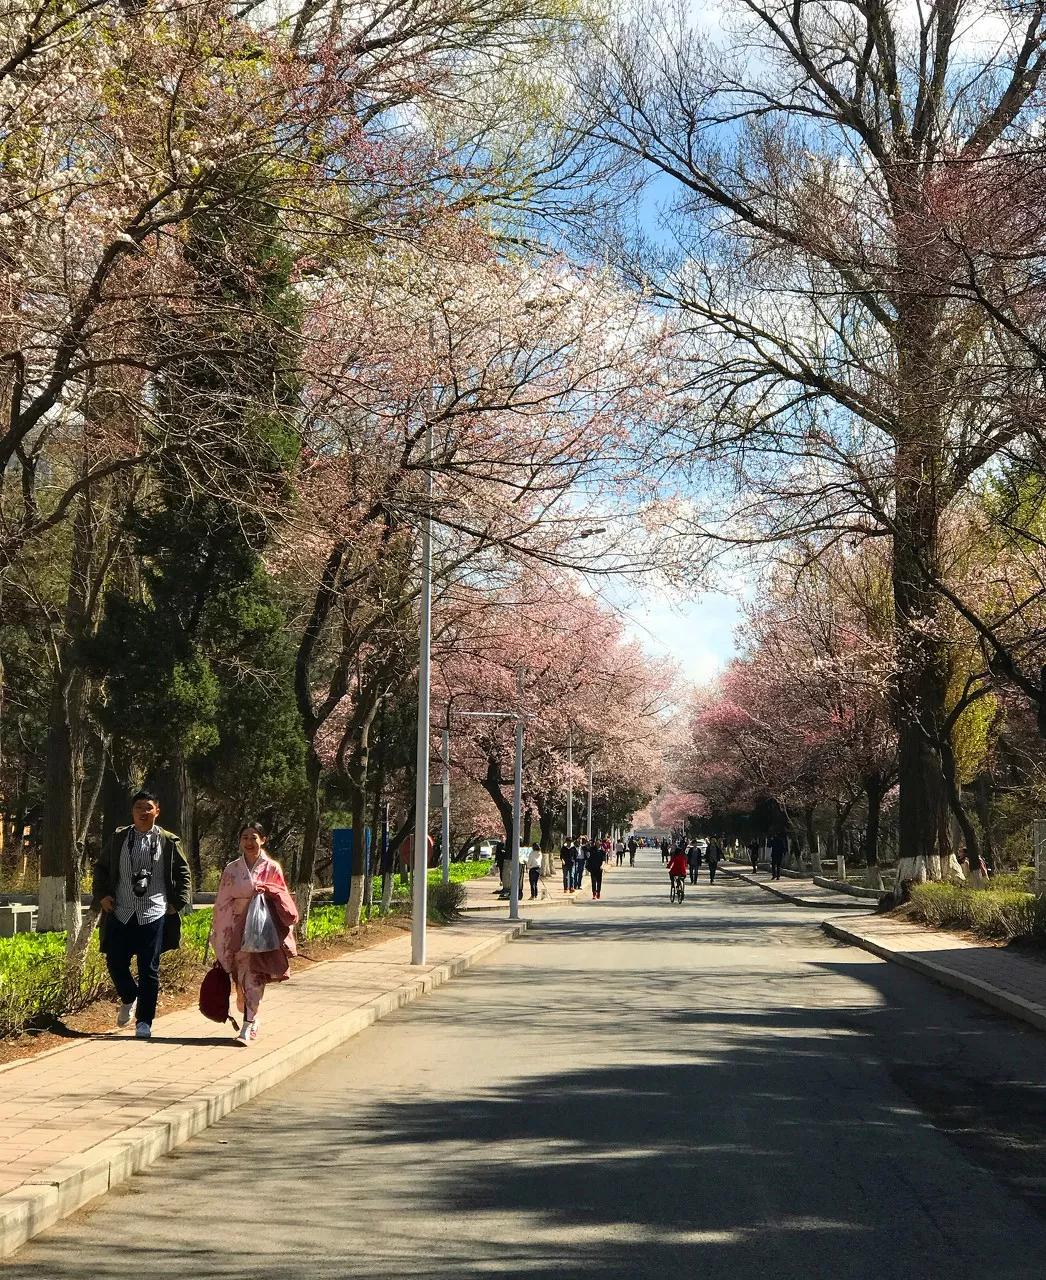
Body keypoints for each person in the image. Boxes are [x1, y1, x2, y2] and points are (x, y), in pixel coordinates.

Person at [91, 789, 192, 1040]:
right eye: (139, 808)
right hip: (121, 910)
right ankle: (129, 996)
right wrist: (102, 895)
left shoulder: (168, 841)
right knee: (115, 961)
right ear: (132, 811)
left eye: (148, 808)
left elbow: (183, 874)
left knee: (149, 968)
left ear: (157, 811)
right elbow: (101, 869)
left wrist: (177, 903)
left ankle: (144, 1021)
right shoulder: (119, 838)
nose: (143, 812)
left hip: (154, 911)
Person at [211, 823, 299, 1045]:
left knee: (255, 975)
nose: (249, 843)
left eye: (254, 837)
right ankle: (250, 1012)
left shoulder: (272, 867)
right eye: (245, 838)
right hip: (237, 928)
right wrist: (221, 931)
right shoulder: (232, 869)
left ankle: (248, 1026)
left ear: (263, 839)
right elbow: (222, 902)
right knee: (239, 976)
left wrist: (268, 891)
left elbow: (283, 898)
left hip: (261, 929)